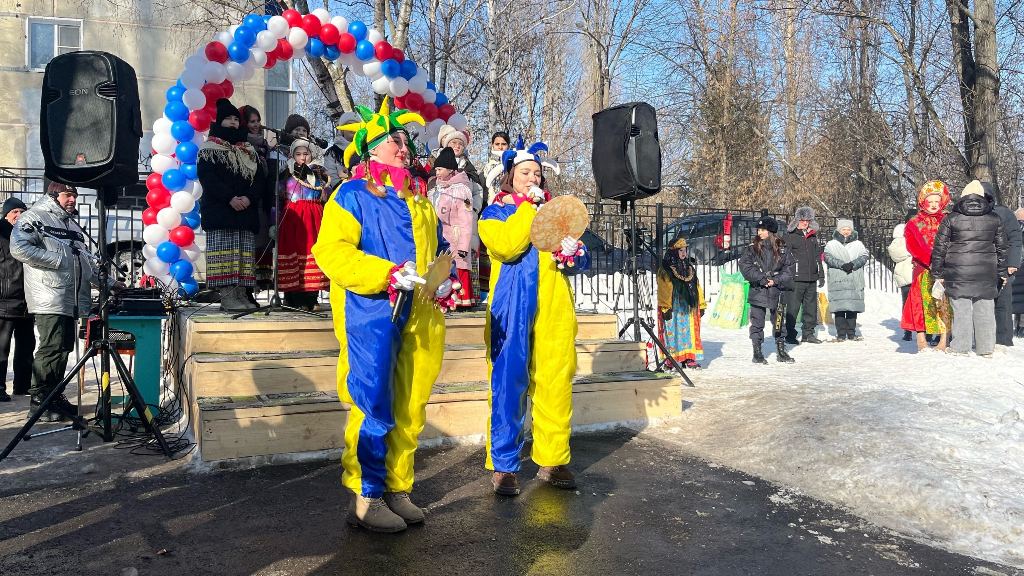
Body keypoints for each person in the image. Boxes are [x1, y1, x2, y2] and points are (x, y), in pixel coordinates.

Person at [311, 98, 455, 533]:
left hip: (421, 314)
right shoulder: (351, 194)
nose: (406, 148)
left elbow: (438, 249)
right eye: (397, 141)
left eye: (406, 141)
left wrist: (444, 278)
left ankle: (397, 486)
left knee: (411, 403)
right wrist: (385, 274)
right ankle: (367, 494)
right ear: (373, 148)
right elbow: (331, 252)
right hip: (371, 312)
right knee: (372, 401)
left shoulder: (420, 199)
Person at [478, 137, 588, 497]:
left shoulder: (556, 214)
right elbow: (507, 246)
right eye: (525, 172)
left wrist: (573, 252)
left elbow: (579, 258)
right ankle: (504, 464)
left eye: (537, 174)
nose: (533, 178)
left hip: (553, 304)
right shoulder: (495, 212)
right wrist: (529, 209)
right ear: (510, 176)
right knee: (508, 381)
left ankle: (552, 459)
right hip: (511, 305)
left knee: (555, 381)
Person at [10, 183, 122, 421]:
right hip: (50, 295)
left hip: (70, 298)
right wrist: (59, 259)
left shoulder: (70, 224)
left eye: (75, 195)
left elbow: (85, 263)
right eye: (67, 195)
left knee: (62, 348)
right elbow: (18, 247)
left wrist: (112, 283)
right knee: (52, 348)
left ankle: (54, 396)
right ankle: (40, 402)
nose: (72, 199)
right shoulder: (34, 217)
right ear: (53, 196)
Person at [197, 99, 266, 313]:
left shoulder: (248, 149)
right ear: (219, 121)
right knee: (225, 255)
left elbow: (259, 179)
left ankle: (241, 294)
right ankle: (228, 296)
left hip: (245, 211)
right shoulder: (209, 148)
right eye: (229, 118)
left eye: (236, 119)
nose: (234, 122)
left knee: (243, 256)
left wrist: (249, 198)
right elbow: (209, 179)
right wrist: (230, 198)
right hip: (222, 210)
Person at [931, 180, 1008, 357]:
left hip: (958, 270)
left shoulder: (951, 218)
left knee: (961, 308)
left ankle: (960, 347)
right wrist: (1002, 272)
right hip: (986, 270)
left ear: (963, 196)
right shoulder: (994, 218)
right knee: (985, 308)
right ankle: (986, 347)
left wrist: (937, 272)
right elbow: (1002, 248)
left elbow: (940, 247)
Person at [277, 138, 331, 311]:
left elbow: (326, 194)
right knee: (293, 252)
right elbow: (278, 195)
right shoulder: (286, 172)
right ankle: (292, 297)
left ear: (311, 155)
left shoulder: (319, 173)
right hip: (293, 218)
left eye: (306, 154)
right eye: (298, 154)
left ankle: (311, 297)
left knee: (310, 253)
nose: (302, 157)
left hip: (314, 217)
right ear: (293, 155)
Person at [902, 180, 952, 352]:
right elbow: (913, 246)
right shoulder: (914, 223)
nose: (933, 205)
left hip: (945, 268)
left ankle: (944, 338)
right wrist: (929, 261)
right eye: (930, 201)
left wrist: (943, 262)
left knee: (943, 303)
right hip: (923, 269)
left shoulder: (948, 220)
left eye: (936, 201)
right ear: (923, 201)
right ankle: (921, 338)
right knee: (921, 303)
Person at [738, 216, 794, 364]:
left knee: (779, 321)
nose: (759, 232)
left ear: (771, 231)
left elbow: (789, 269)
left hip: (777, 290)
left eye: (763, 230)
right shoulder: (752, 248)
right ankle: (757, 352)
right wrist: (761, 278)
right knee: (757, 322)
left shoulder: (782, 249)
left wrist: (776, 280)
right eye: (758, 229)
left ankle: (781, 350)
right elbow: (745, 266)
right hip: (759, 289)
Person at [429, 147, 477, 308]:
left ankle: (462, 299)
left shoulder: (460, 190)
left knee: (458, 265)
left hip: (456, 237)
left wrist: (464, 245)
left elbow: (466, 219)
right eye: (436, 169)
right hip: (441, 237)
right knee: (443, 267)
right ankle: (446, 299)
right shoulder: (436, 190)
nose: (437, 173)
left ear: (450, 170)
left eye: (440, 169)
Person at [238, 105, 275, 295]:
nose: (256, 125)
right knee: (248, 243)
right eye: (252, 121)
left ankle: (261, 283)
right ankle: (246, 287)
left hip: (263, 200)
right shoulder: (240, 144)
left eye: (258, 121)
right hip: (247, 199)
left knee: (262, 241)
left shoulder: (265, 145)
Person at [1, 197, 34, 402]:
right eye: (15, 212)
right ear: (6, 214)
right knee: (1, 348)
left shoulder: (29, 233)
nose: (19, 215)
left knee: (26, 346)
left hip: (27, 300)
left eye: (22, 211)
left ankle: (23, 385)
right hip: (4, 300)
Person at [983, 182, 1023, 346]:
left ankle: (1003, 339)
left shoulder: (1003, 213)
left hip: (1002, 264)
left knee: (1003, 302)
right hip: (979, 264)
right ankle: (983, 338)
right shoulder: (969, 214)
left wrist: (1013, 262)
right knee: (981, 304)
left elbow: (1015, 238)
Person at [657, 236, 705, 369]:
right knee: (672, 331)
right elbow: (664, 288)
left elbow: (696, 286)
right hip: (673, 305)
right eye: (680, 250)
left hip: (688, 305)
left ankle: (688, 357)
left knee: (688, 332)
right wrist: (666, 307)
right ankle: (670, 359)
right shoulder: (666, 269)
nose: (684, 253)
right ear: (673, 252)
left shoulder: (689, 268)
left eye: (685, 250)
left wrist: (701, 304)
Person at [783, 206, 824, 345]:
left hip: (811, 278)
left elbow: (817, 256)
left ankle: (808, 334)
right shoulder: (790, 236)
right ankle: (790, 334)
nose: (805, 223)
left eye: (807, 220)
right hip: (796, 278)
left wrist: (821, 274)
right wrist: (788, 274)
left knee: (810, 308)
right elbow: (784, 258)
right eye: (802, 220)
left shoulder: (812, 236)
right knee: (793, 308)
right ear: (797, 220)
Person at [824, 219, 869, 341]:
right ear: (839, 230)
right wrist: (842, 265)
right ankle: (841, 334)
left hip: (854, 280)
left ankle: (851, 333)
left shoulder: (858, 244)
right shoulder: (831, 244)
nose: (846, 231)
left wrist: (853, 264)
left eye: (848, 229)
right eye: (843, 229)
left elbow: (864, 257)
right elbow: (827, 258)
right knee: (839, 309)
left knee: (852, 308)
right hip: (838, 280)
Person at [887, 209, 917, 341]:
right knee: (907, 304)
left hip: (921, 273)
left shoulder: (925, 233)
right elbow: (894, 253)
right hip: (905, 275)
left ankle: (926, 332)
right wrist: (913, 250)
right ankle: (908, 330)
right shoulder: (900, 237)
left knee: (924, 304)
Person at [436, 125, 484, 189]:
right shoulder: (437, 160)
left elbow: (476, 186)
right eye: (454, 142)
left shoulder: (466, 163)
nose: (457, 146)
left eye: (461, 144)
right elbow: (432, 180)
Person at [1014, 208, 1024, 337]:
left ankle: (1019, 326)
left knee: (1017, 297)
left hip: (1016, 264)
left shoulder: (1013, 229)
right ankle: (1020, 326)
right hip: (1019, 264)